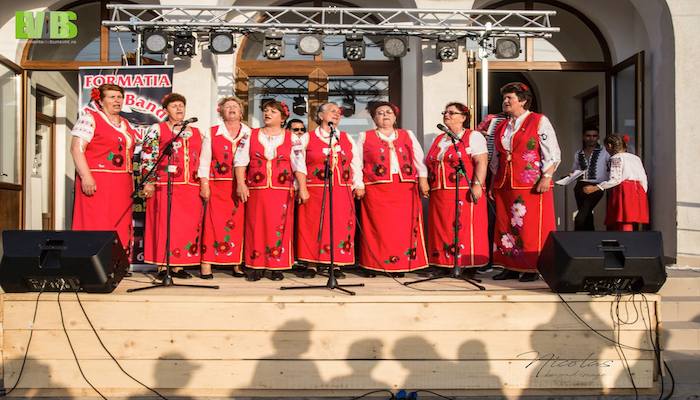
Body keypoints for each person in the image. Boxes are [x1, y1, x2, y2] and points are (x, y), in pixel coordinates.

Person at [489, 82, 561, 282]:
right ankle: (509, 265)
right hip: (505, 182)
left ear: (522, 101)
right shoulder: (502, 126)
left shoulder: (538, 121)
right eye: (504, 98)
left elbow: (552, 152)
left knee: (529, 225)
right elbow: (496, 157)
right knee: (505, 224)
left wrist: (546, 176)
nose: (505, 101)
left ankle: (532, 266)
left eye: (509, 98)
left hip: (531, 182)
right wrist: (494, 182)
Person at [234, 100, 309, 281]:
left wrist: (303, 188)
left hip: (281, 190)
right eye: (266, 110)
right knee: (255, 226)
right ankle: (256, 265)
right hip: (257, 189)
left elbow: (299, 164)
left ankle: (276, 266)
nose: (267, 113)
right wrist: (241, 183)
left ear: (282, 118)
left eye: (273, 111)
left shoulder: (292, 138)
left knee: (280, 226)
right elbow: (240, 160)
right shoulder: (250, 135)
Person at [357, 101, 429, 277]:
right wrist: (358, 184)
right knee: (377, 228)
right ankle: (374, 265)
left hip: (405, 188)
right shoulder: (364, 136)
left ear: (395, 117)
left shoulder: (407, 135)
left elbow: (419, 159)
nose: (385, 115)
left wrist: (423, 180)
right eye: (380, 113)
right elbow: (357, 163)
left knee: (402, 228)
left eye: (389, 112)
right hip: (376, 189)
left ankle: (401, 265)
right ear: (374, 118)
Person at [141, 93, 207, 279]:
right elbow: (148, 156)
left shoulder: (197, 132)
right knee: (164, 225)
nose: (179, 108)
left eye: (181, 105)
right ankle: (163, 266)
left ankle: (179, 265)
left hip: (190, 186)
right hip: (164, 185)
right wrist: (149, 182)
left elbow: (204, 159)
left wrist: (204, 183)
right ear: (165, 110)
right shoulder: (157, 129)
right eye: (174, 106)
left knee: (186, 226)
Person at [296, 102, 363, 278]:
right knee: (313, 225)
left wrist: (358, 184)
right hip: (315, 190)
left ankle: (337, 263)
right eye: (332, 111)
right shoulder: (308, 137)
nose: (337, 114)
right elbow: (298, 163)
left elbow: (355, 162)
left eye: (338, 112)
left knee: (340, 224)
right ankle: (311, 263)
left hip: (342, 189)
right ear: (320, 116)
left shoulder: (346, 138)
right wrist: (301, 187)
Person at [71, 83, 137, 253]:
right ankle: (92, 259)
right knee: (97, 221)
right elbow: (77, 148)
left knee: (120, 221)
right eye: (112, 97)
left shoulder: (126, 124)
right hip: (98, 180)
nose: (117, 100)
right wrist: (86, 176)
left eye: (119, 97)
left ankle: (117, 261)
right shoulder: (90, 118)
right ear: (100, 101)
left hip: (122, 183)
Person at [425, 102, 489, 275]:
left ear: (463, 117)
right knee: (442, 228)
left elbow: (481, 162)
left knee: (462, 226)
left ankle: (467, 264)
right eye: (445, 112)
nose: (447, 115)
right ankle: (442, 264)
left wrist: (477, 185)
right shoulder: (439, 139)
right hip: (439, 192)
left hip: (463, 190)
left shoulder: (472, 136)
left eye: (452, 113)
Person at [198, 97, 251, 279]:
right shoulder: (212, 132)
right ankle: (207, 264)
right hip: (217, 186)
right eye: (227, 106)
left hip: (241, 186)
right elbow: (204, 161)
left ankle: (237, 263)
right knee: (213, 223)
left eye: (235, 106)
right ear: (221, 112)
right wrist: (204, 184)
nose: (232, 109)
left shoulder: (250, 133)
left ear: (241, 112)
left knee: (239, 224)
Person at [583, 134, 648, 231]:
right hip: (638, 190)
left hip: (623, 190)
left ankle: (624, 239)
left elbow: (615, 179)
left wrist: (596, 187)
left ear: (609, 146)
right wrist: (643, 192)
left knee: (622, 221)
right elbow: (643, 177)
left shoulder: (616, 158)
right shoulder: (635, 158)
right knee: (629, 220)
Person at [570, 129, 610, 231]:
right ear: (583, 137)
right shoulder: (578, 153)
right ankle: (589, 239)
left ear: (598, 137)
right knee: (587, 216)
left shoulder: (605, 152)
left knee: (580, 218)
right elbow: (574, 170)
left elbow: (611, 168)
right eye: (588, 136)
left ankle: (577, 238)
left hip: (596, 186)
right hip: (580, 186)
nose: (591, 138)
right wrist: (570, 175)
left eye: (594, 136)